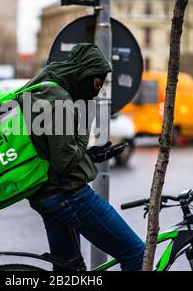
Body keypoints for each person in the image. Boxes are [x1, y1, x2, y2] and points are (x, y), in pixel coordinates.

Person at [21, 43, 145, 271]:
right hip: (69, 196)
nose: (98, 88)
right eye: (98, 81)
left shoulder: (45, 88)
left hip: (47, 194)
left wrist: (89, 156)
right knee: (137, 254)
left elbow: (54, 152)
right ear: (85, 74)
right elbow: (65, 163)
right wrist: (82, 136)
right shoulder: (59, 99)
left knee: (69, 273)